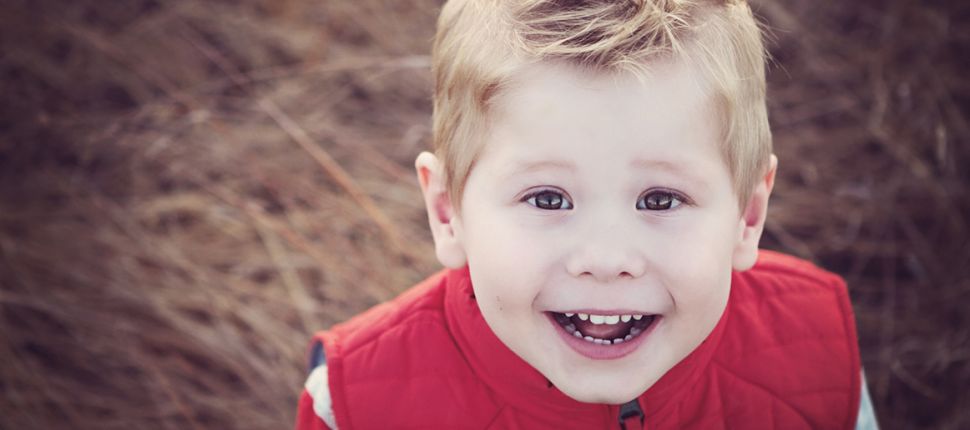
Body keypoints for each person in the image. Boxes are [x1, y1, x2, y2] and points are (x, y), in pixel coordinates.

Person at [296, 0, 878, 428]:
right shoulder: (355, 405)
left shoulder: (815, 347)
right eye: (548, 199)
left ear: (748, 215)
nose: (606, 259)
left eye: (660, 200)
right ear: (448, 211)